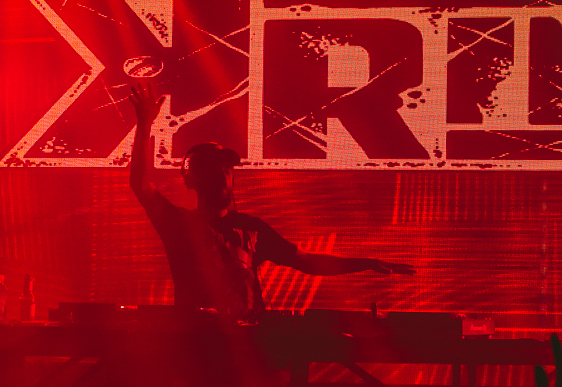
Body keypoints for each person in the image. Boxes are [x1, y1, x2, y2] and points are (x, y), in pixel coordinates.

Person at [127, 80, 412, 316]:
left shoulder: (252, 229)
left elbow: (308, 261)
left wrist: (364, 262)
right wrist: (144, 124)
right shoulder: (179, 224)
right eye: (216, 169)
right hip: (197, 343)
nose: (225, 175)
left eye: (227, 169)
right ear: (193, 180)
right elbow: (140, 184)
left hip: (250, 345)